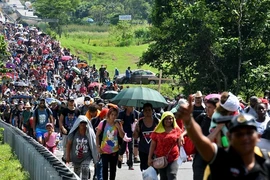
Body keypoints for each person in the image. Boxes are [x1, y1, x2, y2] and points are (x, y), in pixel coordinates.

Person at [177, 96, 270, 180]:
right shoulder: (220, 159)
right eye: (239, 134)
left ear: (258, 137)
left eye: (249, 133)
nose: (245, 138)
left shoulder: (266, 160)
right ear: (229, 136)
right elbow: (201, 142)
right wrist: (189, 121)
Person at [148, 111, 182, 180]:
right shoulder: (157, 130)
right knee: (163, 177)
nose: (168, 120)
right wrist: (149, 158)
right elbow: (153, 145)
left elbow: (184, 133)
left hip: (173, 157)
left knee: (172, 174)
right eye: (166, 119)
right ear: (162, 120)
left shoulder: (176, 129)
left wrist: (181, 136)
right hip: (160, 158)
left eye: (170, 118)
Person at [96, 107, 125, 180]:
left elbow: (122, 136)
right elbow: (97, 135)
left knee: (113, 169)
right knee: (105, 169)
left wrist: (119, 127)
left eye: (115, 115)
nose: (113, 116)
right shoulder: (103, 123)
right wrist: (98, 147)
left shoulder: (118, 123)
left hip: (114, 150)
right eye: (112, 114)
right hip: (104, 150)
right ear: (109, 114)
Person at [66, 115, 98, 180]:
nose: (83, 124)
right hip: (76, 156)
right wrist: (68, 156)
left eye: (84, 123)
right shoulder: (73, 133)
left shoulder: (89, 133)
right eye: (81, 123)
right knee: (76, 174)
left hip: (86, 156)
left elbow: (93, 145)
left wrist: (95, 159)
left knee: (85, 168)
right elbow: (69, 144)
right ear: (78, 123)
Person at [133, 103, 159, 171]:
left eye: (149, 110)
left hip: (155, 150)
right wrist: (136, 130)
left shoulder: (156, 121)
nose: (147, 112)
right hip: (143, 150)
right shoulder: (140, 122)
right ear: (143, 112)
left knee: (155, 169)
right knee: (145, 170)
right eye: (145, 110)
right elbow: (135, 137)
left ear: (152, 111)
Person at [59, 96, 81, 163]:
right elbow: (60, 120)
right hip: (66, 131)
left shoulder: (77, 111)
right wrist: (62, 128)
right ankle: (65, 158)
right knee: (65, 146)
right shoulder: (64, 110)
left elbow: (80, 121)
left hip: (75, 131)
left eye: (72, 101)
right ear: (68, 102)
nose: (71, 102)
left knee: (74, 146)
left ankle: (71, 158)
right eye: (70, 101)